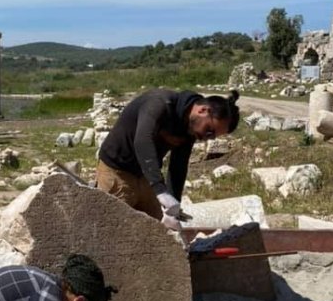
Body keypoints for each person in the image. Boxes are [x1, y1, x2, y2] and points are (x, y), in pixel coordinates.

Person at [96, 88, 240, 229]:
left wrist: (173, 207)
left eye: (212, 137)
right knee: (114, 230)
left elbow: (178, 166)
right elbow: (142, 141)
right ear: (202, 110)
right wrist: (160, 190)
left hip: (145, 176)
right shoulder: (160, 103)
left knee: (158, 232)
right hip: (116, 171)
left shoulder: (190, 128)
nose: (205, 138)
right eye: (209, 131)